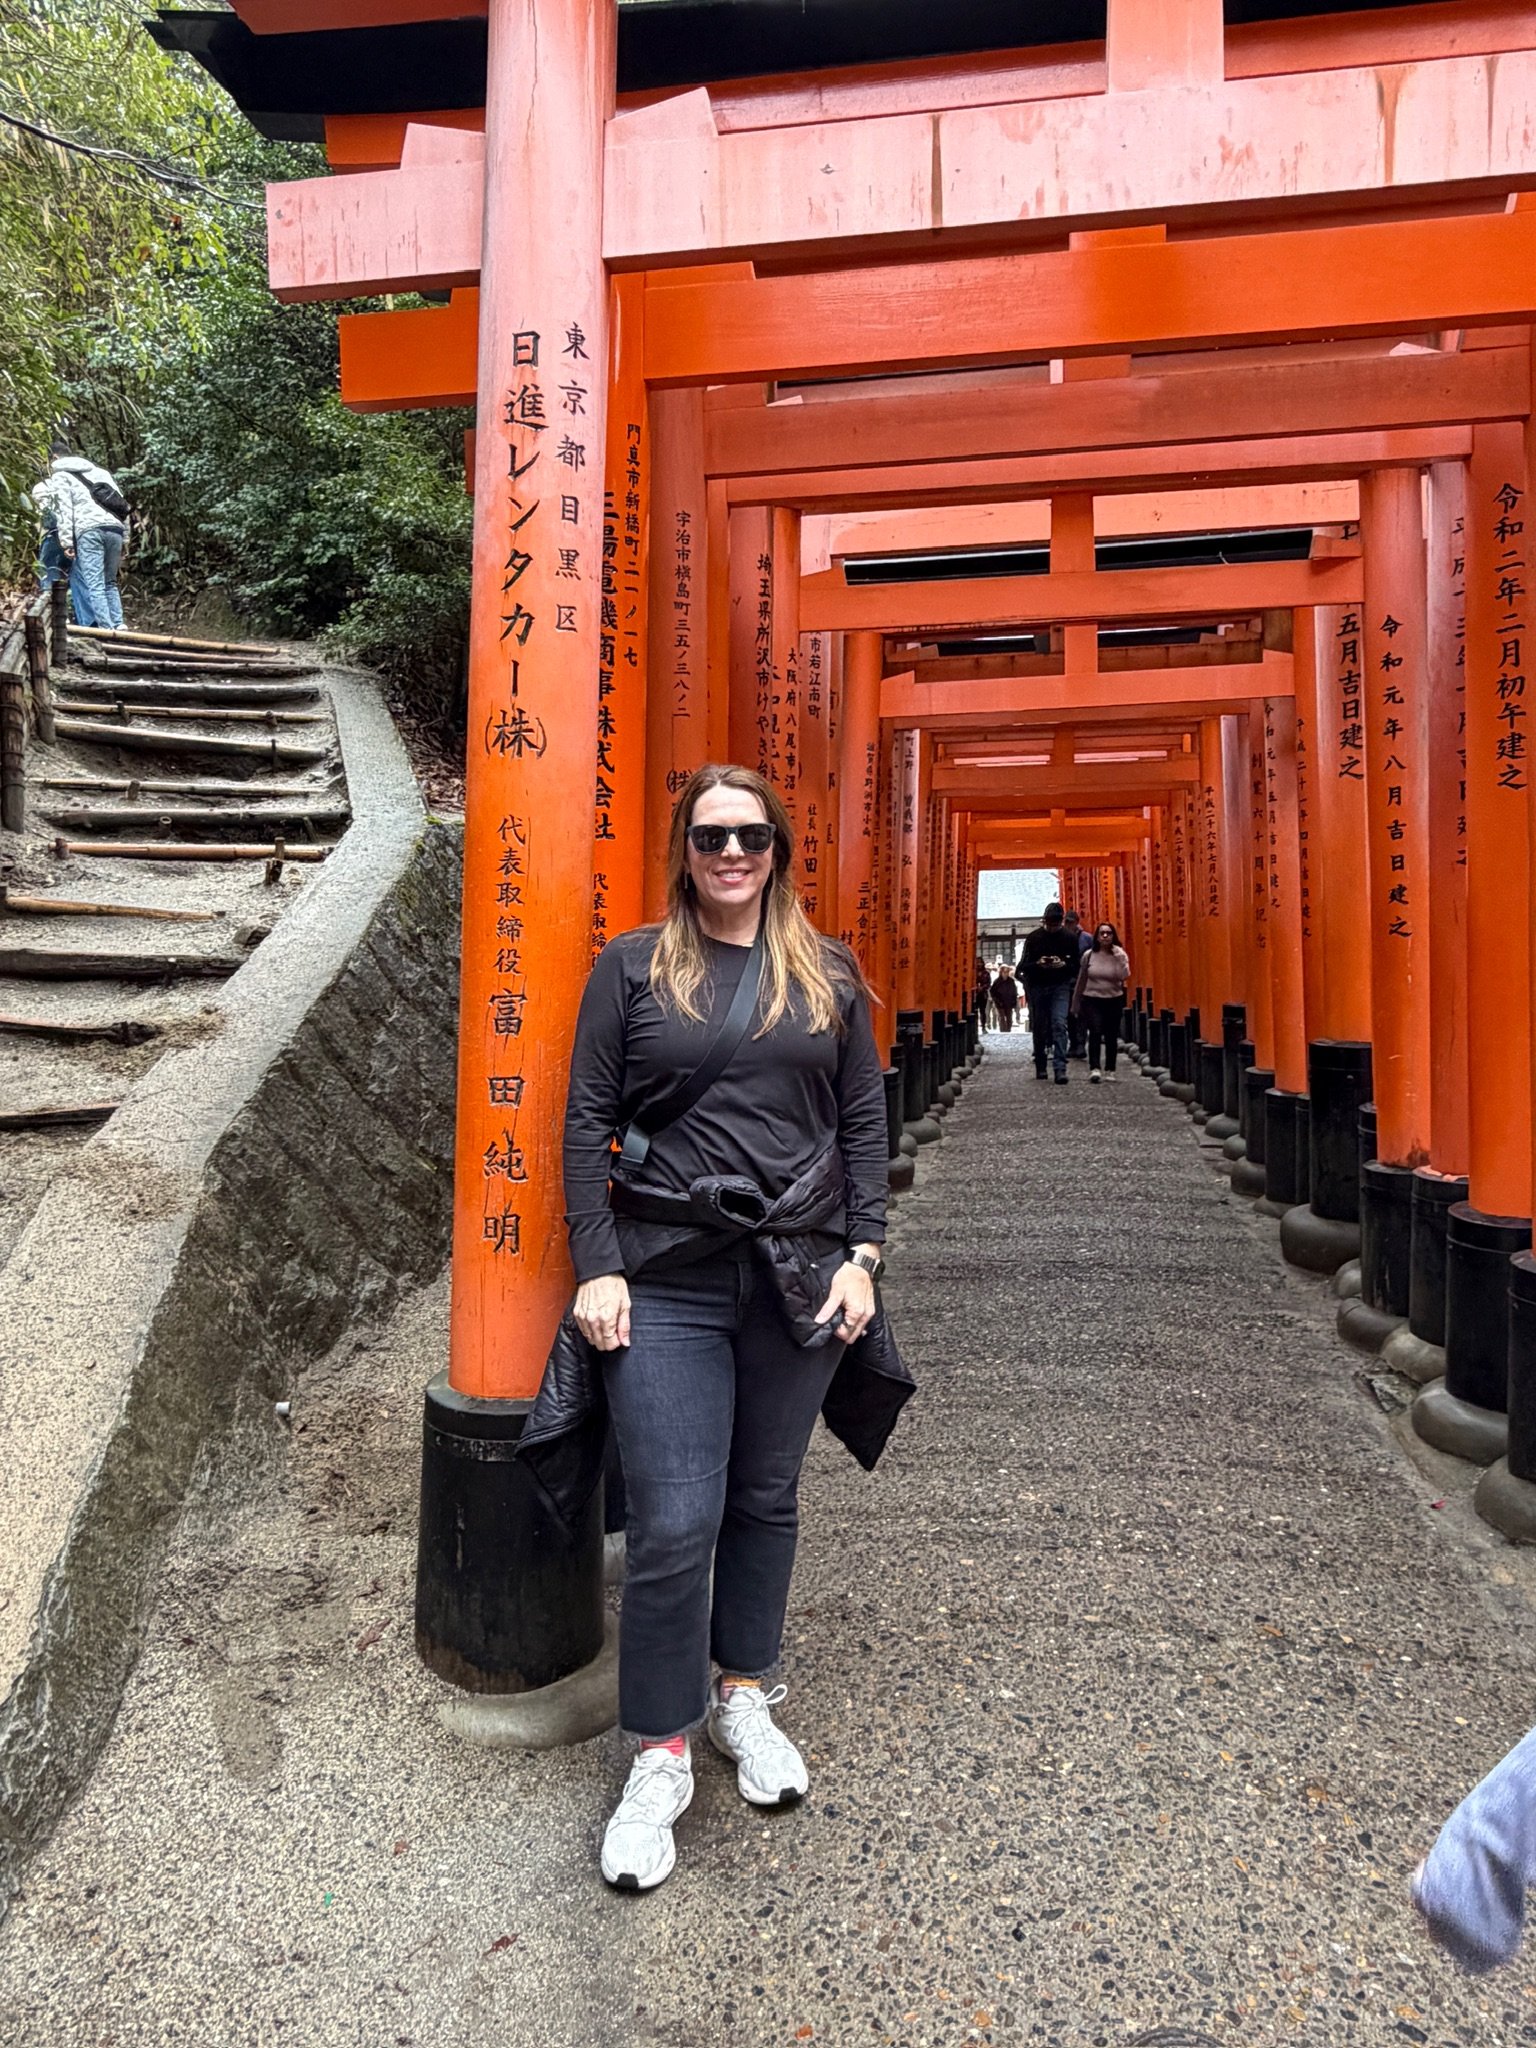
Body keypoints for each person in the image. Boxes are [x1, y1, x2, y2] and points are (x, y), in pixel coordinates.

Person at [547, 762, 913, 1893]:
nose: (732, 854)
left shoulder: (828, 973)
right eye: (711, 837)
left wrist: (866, 1256)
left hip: (799, 1274)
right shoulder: (632, 967)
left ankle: (742, 1692)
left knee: (765, 1495)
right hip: (667, 1275)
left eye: (751, 834)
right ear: (684, 850)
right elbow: (583, 1126)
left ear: (779, 848)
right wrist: (598, 1269)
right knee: (670, 1516)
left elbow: (863, 1123)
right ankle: (660, 1746)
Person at [48, 436, 128, 632]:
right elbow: (121, 504)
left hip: (89, 530)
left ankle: (106, 630)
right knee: (110, 581)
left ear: (54, 458)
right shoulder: (102, 473)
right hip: (115, 528)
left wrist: (67, 541)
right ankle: (119, 624)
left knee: (95, 584)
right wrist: (125, 536)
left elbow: (64, 511)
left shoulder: (61, 476)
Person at [1018, 903, 1079, 1084]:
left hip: (1060, 985)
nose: (1052, 927)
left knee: (1059, 1023)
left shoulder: (1069, 938)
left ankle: (1060, 1067)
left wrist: (1063, 965)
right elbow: (1023, 966)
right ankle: (1041, 1064)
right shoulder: (1034, 938)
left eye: (1055, 923)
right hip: (1038, 985)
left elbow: (1076, 966)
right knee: (1040, 1025)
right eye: (1050, 923)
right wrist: (1038, 964)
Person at [1072, 921, 1132, 1082]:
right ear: (1097, 936)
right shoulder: (1089, 955)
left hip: (1113, 998)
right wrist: (1075, 1003)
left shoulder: (1120, 954)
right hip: (1092, 998)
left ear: (1113, 936)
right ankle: (1095, 1068)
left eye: (1109, 933)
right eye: (1102, 933)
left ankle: (1110, 1069)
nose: (1105, 935)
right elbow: (1081, 979)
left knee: (1111, 1034)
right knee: (1095, 1031)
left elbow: (1124, 976)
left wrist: (1120, 959)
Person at [32, 479, 96, 626]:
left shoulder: (42, 487)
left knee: (48, 574)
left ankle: (54, 617)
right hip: (77, 535)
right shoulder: (77, 484)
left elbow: (44, 517)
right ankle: (87, 621)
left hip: (53, 536)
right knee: (78, 577)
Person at [1064, 909, 1093, 1058]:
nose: (1069, 924)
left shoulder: (1087, 939)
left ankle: (1081, 1043)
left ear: (1077, 922)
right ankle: (1073, 1043)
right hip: (1067, 981)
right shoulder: (1061, 938)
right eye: (1067, 922)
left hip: (1083, 981)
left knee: (1081, 1013)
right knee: (1069, 1014)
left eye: (1071, 922)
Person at [989, 965, 1018, 1032]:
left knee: (1009, 1018)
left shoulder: (1011, 981)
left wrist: (1014, 1001)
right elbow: (992, 992)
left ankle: (1008, 1030)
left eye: (1007, 972)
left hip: (1009, 1002)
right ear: (1001, 972)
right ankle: (1003, 1031)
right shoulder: (997, 981)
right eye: (1004, 972)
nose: (1005, 974)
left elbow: (1014, 991)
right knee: (1002, 1018)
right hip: (1000, 1002)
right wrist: (996, 1000)